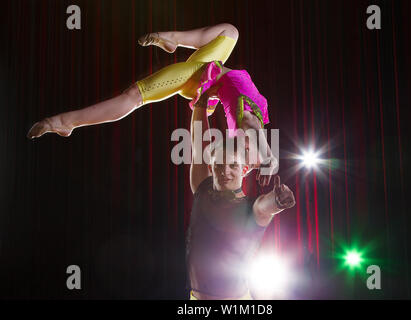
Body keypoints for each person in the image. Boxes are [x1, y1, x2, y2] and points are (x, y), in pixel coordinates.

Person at [26, 23, 277, 185]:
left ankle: (64, 122)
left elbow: (253, 138)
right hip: (213, 75)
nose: (238, 168)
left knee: (134, 95)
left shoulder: (244, 131)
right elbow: (261, 142)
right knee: (230, 32)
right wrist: (268, 161)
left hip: (201, 77)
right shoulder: (255, 131)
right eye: (239, 167)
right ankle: (172, 39)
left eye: (233, 166)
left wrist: (266, 158)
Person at [186, 88, 295, 300]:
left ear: (244, 169)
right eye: (218, 165)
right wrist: (201, 102)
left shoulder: (250, 207)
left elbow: (265, 207)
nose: (225, 171)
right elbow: (198, 144)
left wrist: (278, 201)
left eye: (233, 166)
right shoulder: (203, 189)